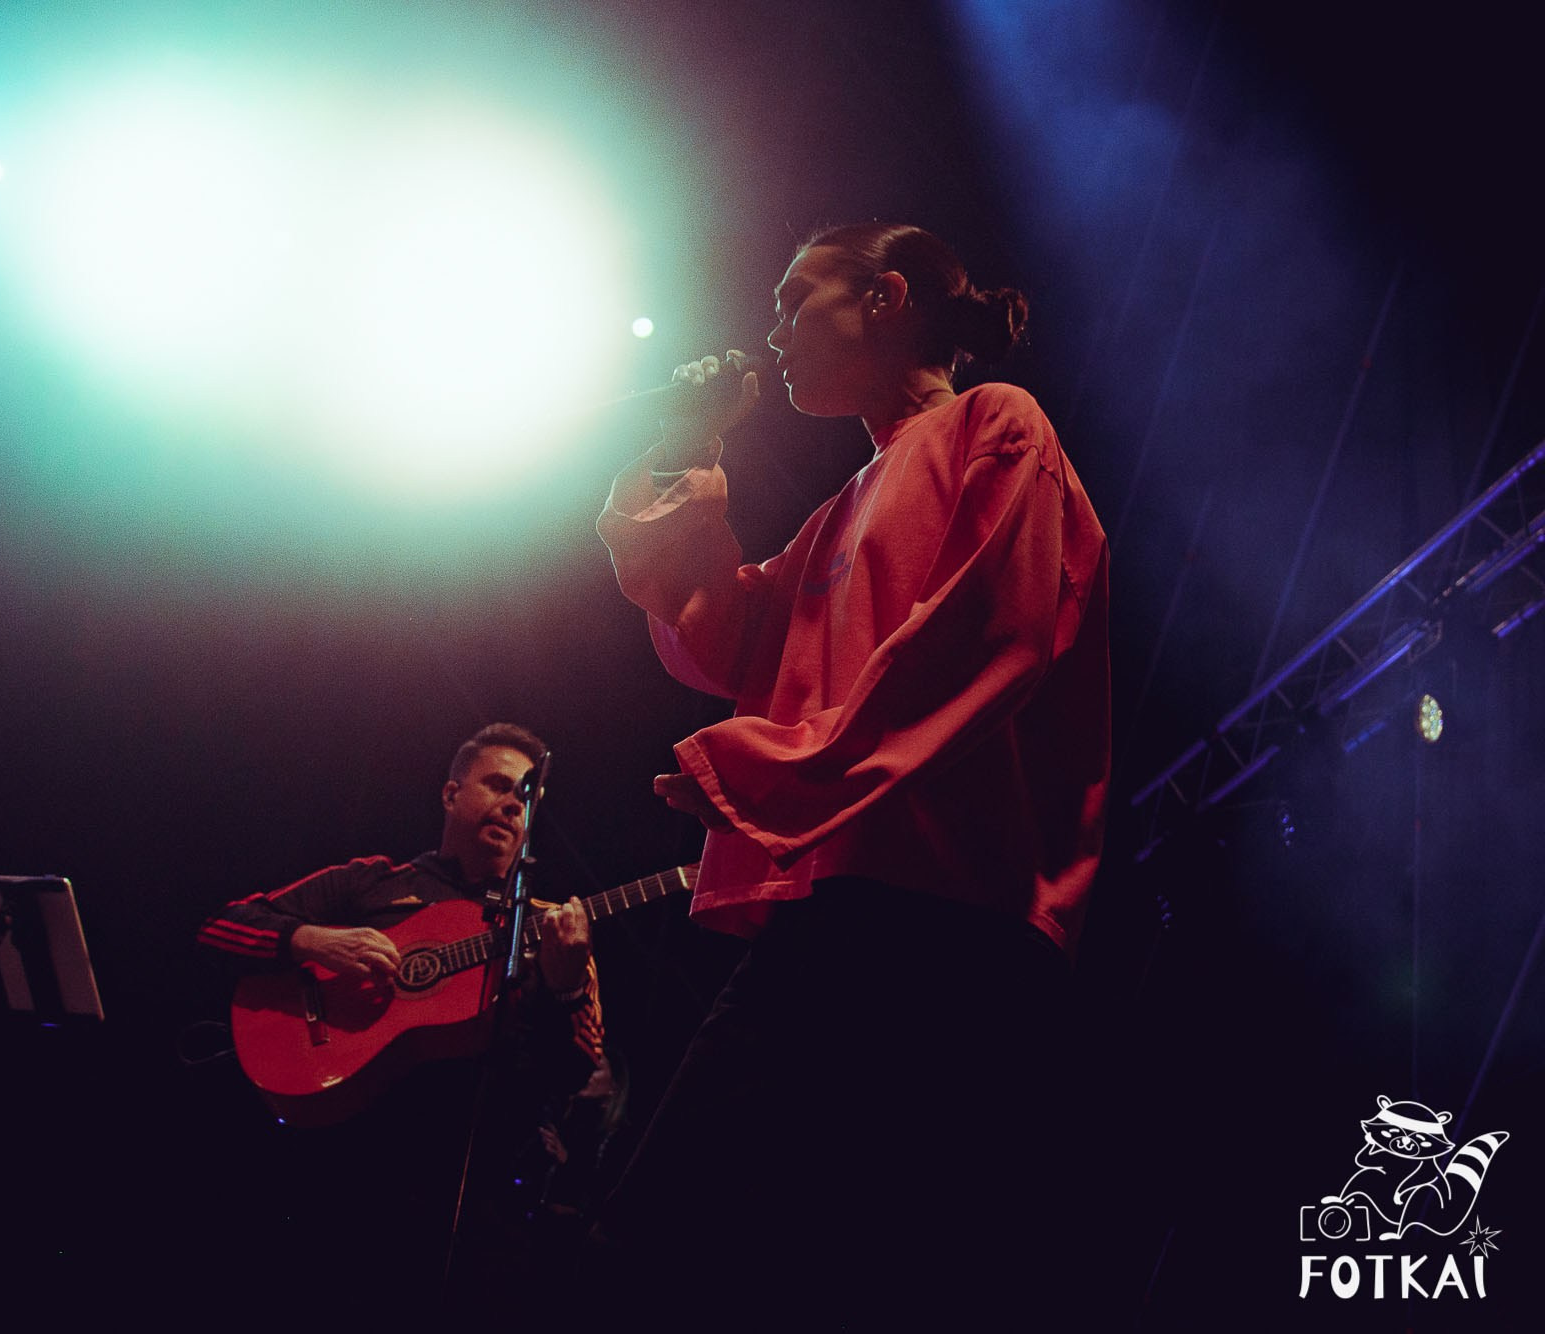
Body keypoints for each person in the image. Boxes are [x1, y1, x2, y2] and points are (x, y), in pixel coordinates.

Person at [592, 223, 1110, 1323]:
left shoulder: (994, 421)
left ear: (883, 297)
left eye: (794, 297)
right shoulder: (836, 510)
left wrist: (782, 765)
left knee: (702, 1242)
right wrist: (687, 445)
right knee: (747, 1251)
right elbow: (719, 634)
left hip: (943, 913)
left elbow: (986, 634)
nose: (770, 330)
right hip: (845, 901)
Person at [198, 723, 603, 1308]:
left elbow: (573, 1078)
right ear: (450, 794)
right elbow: (220, 928)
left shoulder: (549, 926)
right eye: (497, 785)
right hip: (339, 1169)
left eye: (526, 796)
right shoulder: (374, 881)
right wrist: (311, 940)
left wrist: (565, 992)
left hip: (477, 1199)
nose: (513, 803)